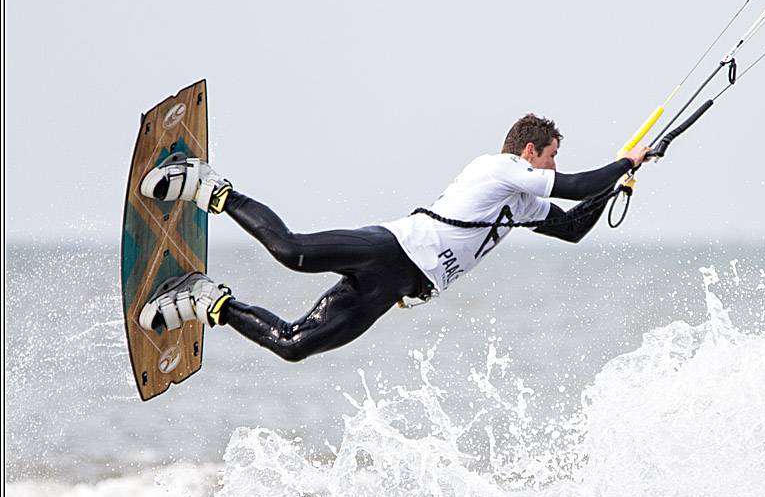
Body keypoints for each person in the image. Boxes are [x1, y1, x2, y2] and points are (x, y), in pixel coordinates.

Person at [138, 114, 652, 362]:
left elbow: (574, 226)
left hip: (395, 287)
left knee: (294, 346)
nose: (554, 166)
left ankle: (206, 301)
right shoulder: (501, 169)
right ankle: (206, 186)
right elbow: (578, 185)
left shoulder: (522, 204)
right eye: (553, 155)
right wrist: (621, 162)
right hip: (391, 247)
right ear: (532, 152)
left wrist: (623, 181)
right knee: (291, 251)